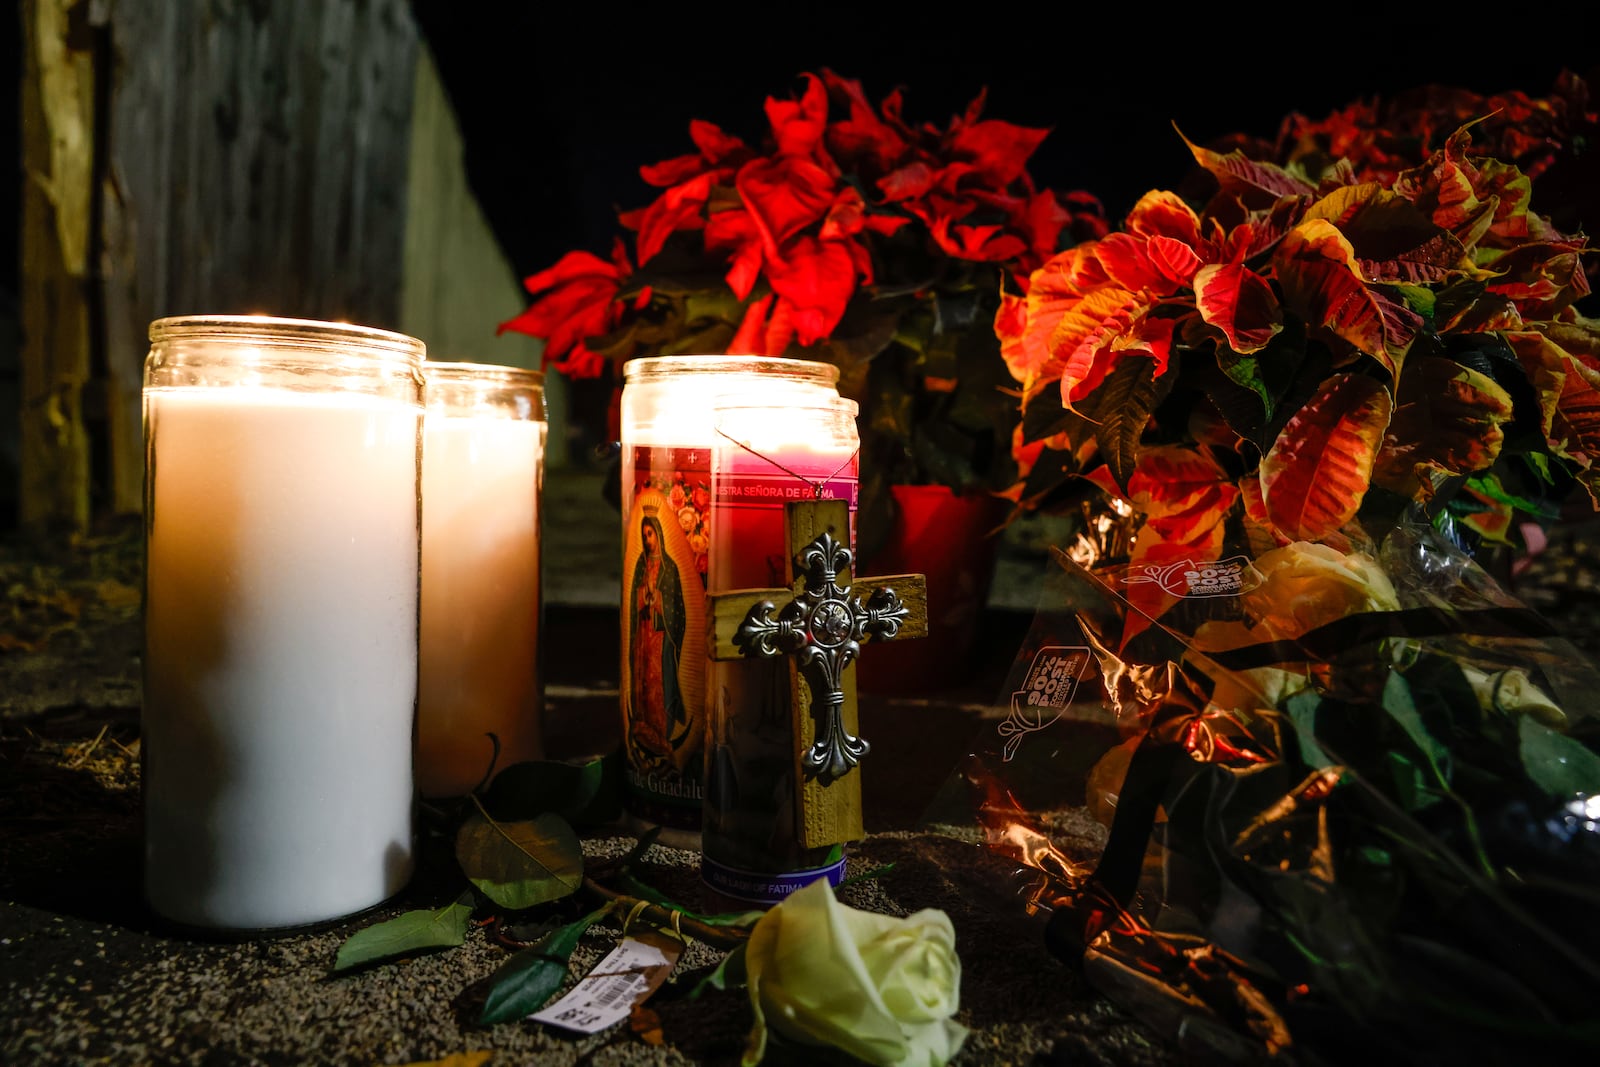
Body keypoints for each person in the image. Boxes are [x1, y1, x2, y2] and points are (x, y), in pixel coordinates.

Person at [629, 512, 686, 764]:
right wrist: (645, 595)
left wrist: (658, 599)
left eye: (650, 534)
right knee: (642, 679)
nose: (647, 539)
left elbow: (676, 607)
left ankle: (661, 731)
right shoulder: (641, 565)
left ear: (659, 535)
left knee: (658, 682)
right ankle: (642, 725)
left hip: (660, 636)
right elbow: (634, 600)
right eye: (644, 535)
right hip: (643, 633)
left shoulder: (668, 567)